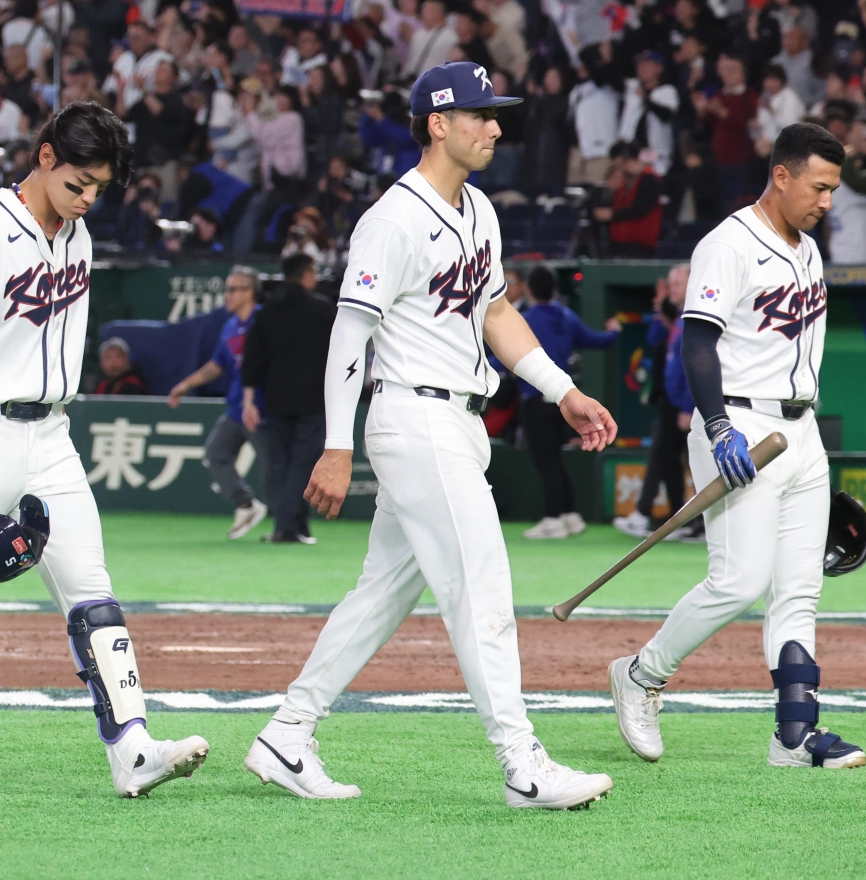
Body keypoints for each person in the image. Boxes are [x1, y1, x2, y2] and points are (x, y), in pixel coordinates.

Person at [248, 62, 620, 810]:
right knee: (480, 584)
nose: (495, 127)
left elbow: (496, 313)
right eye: (481, 114)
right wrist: (337, 442)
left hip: (456, 417)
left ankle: (288, 732)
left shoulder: (478, 207)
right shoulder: (392, 218)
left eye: (497, 114)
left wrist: (563, 391)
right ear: (438, 123)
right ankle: (522, 763)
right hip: (414, 415)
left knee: (381, 593)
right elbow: (349, 332)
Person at [0, 101, 210, 798]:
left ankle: (132, 747)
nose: (87, 198)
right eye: (79, 181)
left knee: (92, 588)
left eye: (98, 188)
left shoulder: (75, 235)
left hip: (51, 433)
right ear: (45, 155)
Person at [610, 123, 864, 770]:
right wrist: (718, 425)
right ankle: (641, 674)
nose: (827, 200)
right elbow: (697, 338)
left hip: (802, 429)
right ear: (781, 175)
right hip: (744, 426)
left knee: (799, 586)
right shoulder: (728, 243)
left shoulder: (806, 248)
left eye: (833, 189)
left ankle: (795, 736)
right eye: (819, 186)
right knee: (739, 579)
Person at [514, 265, 620, 539]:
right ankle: (570, 516)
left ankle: (553, 519)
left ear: (528, 289)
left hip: (537, 400)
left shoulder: (524, 321)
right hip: (562, 401)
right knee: (556, 460)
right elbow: (597, 341)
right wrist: (614, 332)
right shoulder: (567, 316)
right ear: (554, 289)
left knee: (546, 461)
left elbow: (507, 355)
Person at [166, 267, 268, 541]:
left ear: (249, 292)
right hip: (237, 408)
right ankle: (246, 505)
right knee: (216, 452)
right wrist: (184, 386)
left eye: (234, 289)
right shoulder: (230, 326)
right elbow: (217, 365)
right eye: (227, 289)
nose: (227, 295)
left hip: (265, 409)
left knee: (274, 468)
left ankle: (289, 526)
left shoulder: (265, 321)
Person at [240, 252, 334, 544]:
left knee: (282, 464)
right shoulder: (322, 309)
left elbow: (252, 358)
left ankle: (297, 525)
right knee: (303, 464)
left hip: (276, 399)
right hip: (313, 399)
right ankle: (287, 528)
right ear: (306, 273)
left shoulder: (267, 310)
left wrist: (249, 399)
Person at [619, 264, 695, 540]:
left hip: (687, 405)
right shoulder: (678, 317)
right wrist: (658, 306)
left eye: (678, 284)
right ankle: (682, 519)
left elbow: (697, 367)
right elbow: (654, 338)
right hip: (673, 402)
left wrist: (688, 406)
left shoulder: (696, 317)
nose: (672, 289)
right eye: (671, 284)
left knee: (682, 460)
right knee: (670, 459)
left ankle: (686, 521)